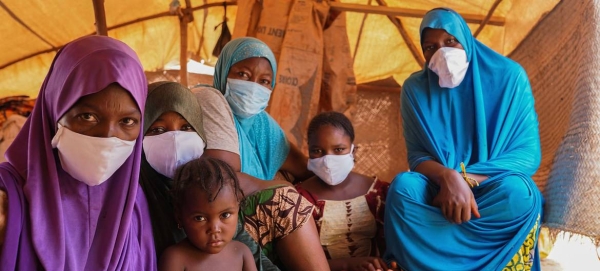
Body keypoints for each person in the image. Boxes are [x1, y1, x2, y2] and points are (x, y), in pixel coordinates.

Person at [384, 8, 543, 271]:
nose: (442, 52)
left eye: (450, 41)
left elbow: (527, 155)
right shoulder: (415, 89)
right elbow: (418, 157)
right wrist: (448, 178)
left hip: (493, 190)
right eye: (430, 47)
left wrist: (465, 179)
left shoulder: (510, 77)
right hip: (439, 194)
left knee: (521, 194)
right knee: (403, 188)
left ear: (466, 40)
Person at [0, 36, 156, 270]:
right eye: (88, 116)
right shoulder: (8, 198)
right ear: (54, 111)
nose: (107, 136)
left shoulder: (133, 203)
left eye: (127, 121)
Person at [144, 81, 329, 271]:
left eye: (186, 128)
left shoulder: (210, 189)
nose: (175, 138)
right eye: (157, 129)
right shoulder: (135, 197)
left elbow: (257, 260)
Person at [295, 112, 390, 271]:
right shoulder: (297, 199)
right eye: (317, 151)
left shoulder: (381, 193)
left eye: (338, 149)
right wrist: (348, 265)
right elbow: (297, 261)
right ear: (308, 151)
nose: (328, 159)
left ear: (353, 151)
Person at [209, 37, 312, 182]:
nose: (253, 87)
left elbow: (305, 168)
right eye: (243, 74)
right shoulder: (208, 105)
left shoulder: (264, 125)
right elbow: (221, 181)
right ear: (224, 71)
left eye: (264, 81)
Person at [158, 158, 256, 271]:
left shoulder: (242, 253)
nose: (214, 229)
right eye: (200, 218)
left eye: (225, 215)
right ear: (179, 216)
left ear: (238, 208)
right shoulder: (175, 258)